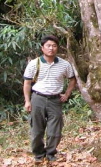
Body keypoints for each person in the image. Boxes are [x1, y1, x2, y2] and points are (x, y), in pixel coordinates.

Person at [23, 35, 76, 163]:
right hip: (38, 98)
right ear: (42, 48)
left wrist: (66, 94)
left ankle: (51, 154)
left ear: (57, 48)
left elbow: (72, 80)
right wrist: (27, 101)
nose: (51, 48)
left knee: (55, 131)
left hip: (55, 100)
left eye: (54, 46)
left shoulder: (64, 64)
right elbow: (27, 83)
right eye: (48, 46)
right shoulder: (34, 63)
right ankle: (38, 155)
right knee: (37, 130)